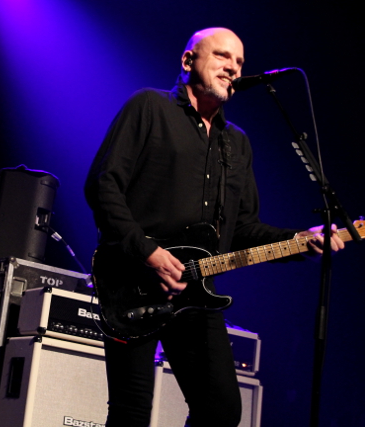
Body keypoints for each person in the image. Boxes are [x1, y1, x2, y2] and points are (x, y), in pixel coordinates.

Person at [84, 27, 344, 427]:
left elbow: (243, 228)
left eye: (239, 62)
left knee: (221, 412)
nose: (233, 68)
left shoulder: (236, 143)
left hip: (196, 292)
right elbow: (103, 186)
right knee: (130, 411)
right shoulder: (149, 106)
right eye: (222, 56)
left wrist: (299, 240)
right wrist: (149, 253)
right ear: (188, 60)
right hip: (130, 281)